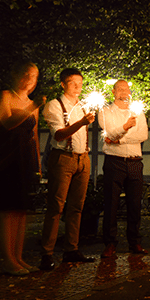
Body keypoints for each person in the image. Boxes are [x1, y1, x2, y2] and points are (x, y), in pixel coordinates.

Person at [0, 62, 46, 276]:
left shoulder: (31, 104)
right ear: (15, 74)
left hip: (24, 159)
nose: (29, 79)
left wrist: (37, 164)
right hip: (5, 158)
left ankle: (18, 257)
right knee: (7, 210)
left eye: (34, 76)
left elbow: (33, 135)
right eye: (25, 74)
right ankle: (8, 259)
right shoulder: (5, 96)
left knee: (21, 210)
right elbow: (7, 123)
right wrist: (32, 107)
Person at [39, 68, 96, 271]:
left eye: (80, 82)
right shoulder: (54, 105)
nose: (78, 86)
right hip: (63, 158)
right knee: (56, 207)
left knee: (76, 207)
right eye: (73, 82)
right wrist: (81, 122)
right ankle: (46, 254)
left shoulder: (82, 106)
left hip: (83, 158)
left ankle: (71, 249)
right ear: (63, 84)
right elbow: (59, 135)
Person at [99, 80, 149, 258]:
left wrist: (120, 139)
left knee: (135, 204)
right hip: (114, 161)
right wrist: (125, 127)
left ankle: (134, 241)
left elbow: (143, 134)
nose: (124, 92)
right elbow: (109, 132)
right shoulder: (105, 111)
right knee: (111, 204)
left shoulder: (138, 111)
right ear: (113, 92)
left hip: (135, 161)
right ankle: (110, 243)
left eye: (126, 89)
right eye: (120, 89)